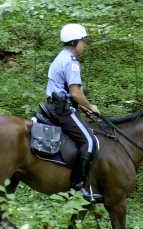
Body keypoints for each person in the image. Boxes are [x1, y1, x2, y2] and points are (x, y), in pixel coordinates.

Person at [45, 23, 103, 202]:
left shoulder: (61, 57)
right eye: (83, 41)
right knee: (91, 142)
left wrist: (83, 107)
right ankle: (79, 186)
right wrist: (91, 106)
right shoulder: (71, 62)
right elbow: (76, 92)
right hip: (62, 110)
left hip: (55, 105)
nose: (84, 45)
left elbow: (67, 92)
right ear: (75, 42)